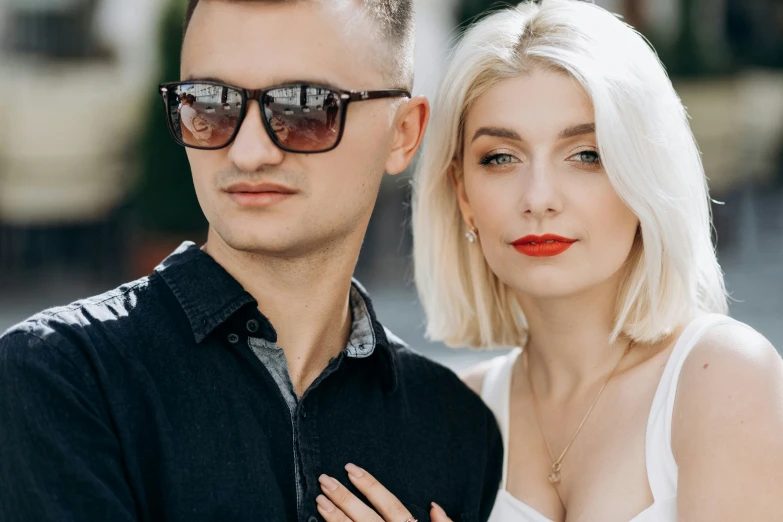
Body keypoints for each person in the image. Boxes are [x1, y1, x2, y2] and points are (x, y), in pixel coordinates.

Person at [0, 1, 504, 521]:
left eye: (304, 108)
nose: (249, 152)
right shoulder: (60, 377)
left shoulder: (456, 427)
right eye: (211, 105)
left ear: (402, 134)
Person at [317, 1, 783, 521]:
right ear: (463, 194)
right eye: (501, 158)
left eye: (586, 154)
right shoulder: (455, 412)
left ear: (645, 175)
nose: (539, 198)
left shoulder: (721, 375)